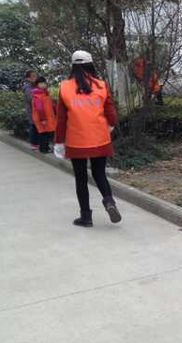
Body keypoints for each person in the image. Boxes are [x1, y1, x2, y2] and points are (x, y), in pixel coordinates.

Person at [54, 50, 122, 228]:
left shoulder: (64, 87)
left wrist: (59, 142)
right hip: (99, 138)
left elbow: (61, 119)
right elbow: (111, 112)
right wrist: (111, 124)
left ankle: (86, 217)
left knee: (81, 178)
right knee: (99, 174)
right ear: (90, 64)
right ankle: (109, 202)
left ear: (73, 66)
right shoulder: (101, 85)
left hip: (76, 141)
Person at [31, 76, 57, 153]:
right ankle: (44, 149)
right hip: (43, 118)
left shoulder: (45, 93)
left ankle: (45, 148)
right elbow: (39, 109)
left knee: (47, 133)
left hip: (48, 117)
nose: (43, 85)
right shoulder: (37, 95)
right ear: (37, 85)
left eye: (44, 83)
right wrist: (43, 119)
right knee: (44, 134)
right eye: (41, 83)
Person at [23, 70, 39, 150]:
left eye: (36, 76)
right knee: (33, 126)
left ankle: (38, 143)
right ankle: (34, 143)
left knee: (38, 126)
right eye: (33, 76)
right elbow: (30, 98)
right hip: (31, 111)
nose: (35, 78)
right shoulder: (27, 87)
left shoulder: (37, 86)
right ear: (28, 78)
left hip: (38, 110)